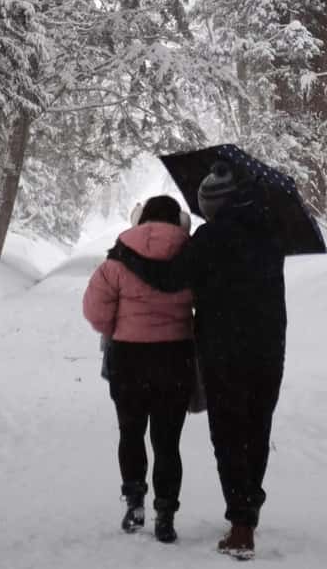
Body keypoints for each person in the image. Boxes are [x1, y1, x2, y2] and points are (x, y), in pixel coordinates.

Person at [108, 161, 287, 561]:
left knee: (228, 433)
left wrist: (125, 256)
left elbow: (170, 278)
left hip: (224, 348)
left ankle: (241, 526)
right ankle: (248, 507)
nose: (202, 211)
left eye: (205, 204)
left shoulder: (210, 238)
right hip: (269, 347)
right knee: (257, 428)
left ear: (215, 204)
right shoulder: (271, 234)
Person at [82, 195, 195, 543]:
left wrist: (120, 325)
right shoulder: (193, 257)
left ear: (141, 219)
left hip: (128, 359)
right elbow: (210, 304)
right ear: (178, 222)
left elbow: (95, 311)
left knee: (130, 432)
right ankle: (166, 513)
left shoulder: (117, 258)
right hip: (175, 357)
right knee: (167, 441)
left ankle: (134, 503)